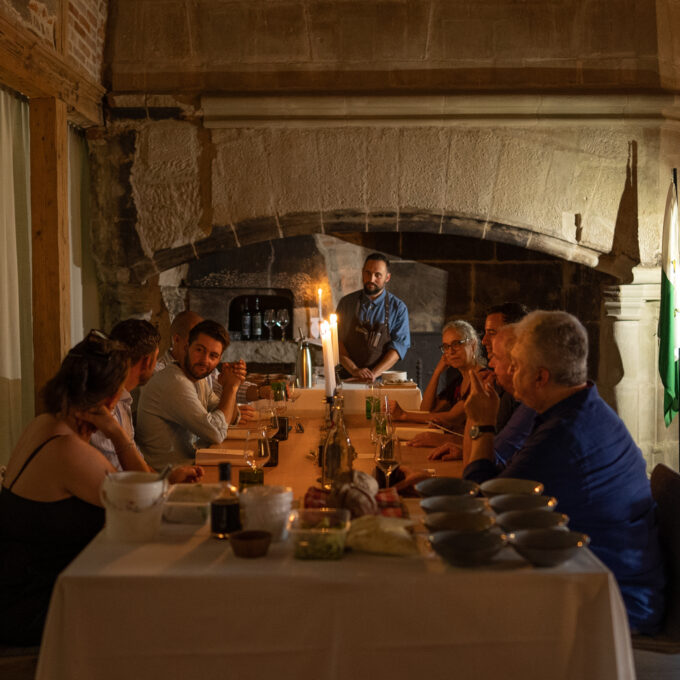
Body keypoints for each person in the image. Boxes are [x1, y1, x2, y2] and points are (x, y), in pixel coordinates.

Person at [462, 310, 666, 634]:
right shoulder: (584, 407)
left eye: (516, 366)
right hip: (609, 580)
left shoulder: (564, 436)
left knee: (461, 603)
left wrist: (482, 424)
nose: (509, 374)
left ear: (541, 377)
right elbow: (507, 483)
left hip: (615, 601)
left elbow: (478, 509)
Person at [0, 330, 150, 645]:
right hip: (35, 606)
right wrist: (117, 433)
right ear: (110, 399)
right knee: (154, 610)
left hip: (21, 590)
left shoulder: (44, 423)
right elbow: (147, 502)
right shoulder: (66, 449)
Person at [90, 319, 203, 483]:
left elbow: (138, 465)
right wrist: (165, 483)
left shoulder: (123, 400)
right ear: (147, 361)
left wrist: (168, 478)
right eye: (155, 358)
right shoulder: (106, 405)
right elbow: (120, 477)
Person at [136, 320, 246, 469]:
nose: (204, 360)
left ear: (219, 360)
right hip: (166, 478)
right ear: (187, 347)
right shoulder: (175, 382)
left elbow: (228, 419)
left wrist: (229, 385)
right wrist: (231, 388)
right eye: (199, 350)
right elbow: (217, 432)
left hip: (192, 466)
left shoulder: (197, 379)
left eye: (213, 355)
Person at [423, 324, 536, 464]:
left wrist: (402, 414)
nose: (492, 364)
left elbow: (479, 468)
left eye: (496, 357)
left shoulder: (526, 405)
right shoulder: (460, 381)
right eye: (446, 347)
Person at [157, 309, 269, 407]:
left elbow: (222, 390)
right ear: (177, 340)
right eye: (199, 348)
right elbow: (207, 422)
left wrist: (261, 391)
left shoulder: (200, 368)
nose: (205, 359)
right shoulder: (160, 372)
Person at [391, 320, 488, 429]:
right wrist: (437, 372)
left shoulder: (484, 378)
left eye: (456, 344)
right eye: (446, 347)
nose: (451, 352)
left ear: (473, 345)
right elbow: (426, 410)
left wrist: (404, 415)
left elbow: (453, 417)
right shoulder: (458, 382)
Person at [336, 253, 410, 382]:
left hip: (380, 380)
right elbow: (337, 341)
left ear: (387, 277)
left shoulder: (398, 308)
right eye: (367, 273)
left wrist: (373, 374)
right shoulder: (346, 303)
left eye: (378, 275)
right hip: (347, 379)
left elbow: (398, 348)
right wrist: (354, 370)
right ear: (362, 273)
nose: (371, 279)